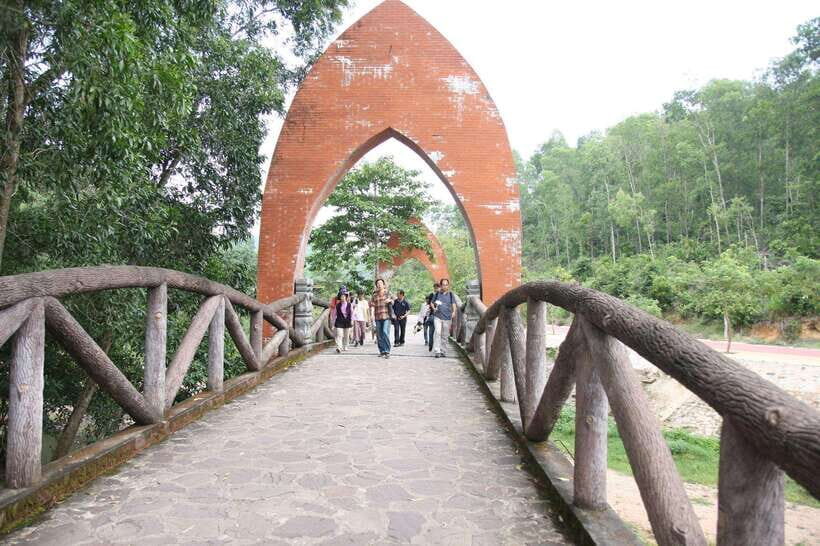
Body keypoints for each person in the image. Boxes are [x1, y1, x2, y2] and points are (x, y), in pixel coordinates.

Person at [432, 278, 457, 358]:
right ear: (441, 285)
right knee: (438, 332)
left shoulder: (450, 294)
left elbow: (454, 304)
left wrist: (454, 312)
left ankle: (443, 351)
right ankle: (437, 351)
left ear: (448, 285)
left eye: (446, 284)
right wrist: (434, 308)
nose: (445, 286)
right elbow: (432, 303)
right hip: (438, 316)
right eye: (443, 285)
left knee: (445, 335)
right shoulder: (437, 294)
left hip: (447, 317)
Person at [369, 278, 393, 358]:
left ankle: (387, 350)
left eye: (380, 283)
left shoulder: (387, 293)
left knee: (385, 332)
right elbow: (372, 306)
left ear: (384, 285)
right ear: (376, 286)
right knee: (379, 335)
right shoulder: (374, 295)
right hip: (377, 317)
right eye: (378, 284)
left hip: (386, 316)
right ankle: (382, 351)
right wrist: (372, 315)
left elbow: (393, 300)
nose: (379, 285)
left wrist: (390, 300)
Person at [423, 283, 440, 351]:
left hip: (440, 316)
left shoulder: (442, 295)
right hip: (432, 315)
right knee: (431, 331)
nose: (436, 289)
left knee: (438, 332)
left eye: (437, 288)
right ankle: (430, 344)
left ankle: (437, 347)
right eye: (435, 288)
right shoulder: (432, 295)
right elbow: (428, 303)